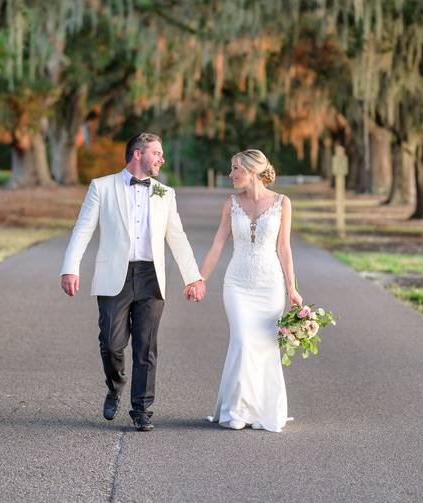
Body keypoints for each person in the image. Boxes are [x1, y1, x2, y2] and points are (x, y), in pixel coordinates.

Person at [60, 132, 206, 432]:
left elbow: (177, 237)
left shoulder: (165, 193)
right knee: (112, 344)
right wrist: (70, 268)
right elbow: (83, 229)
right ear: (138, 154)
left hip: (152, 276)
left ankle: (142, 410)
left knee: (146, 346)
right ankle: (115, 386)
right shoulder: (102, 187)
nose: (161, 158)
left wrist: (193, 276)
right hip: (115, 274)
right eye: (157, 152)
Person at [195, 149, 303, 432]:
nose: (230, 175)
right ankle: (237, 410)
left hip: (270, 286)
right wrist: (200, 278)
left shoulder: (282, 202)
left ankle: (261, 411)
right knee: (243, 341)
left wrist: (292, 288)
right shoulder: (231, 204)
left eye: (235, 169)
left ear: (252, 171)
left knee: (265, 347)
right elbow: (218, 243)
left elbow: (284, 248)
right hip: (237, 284)